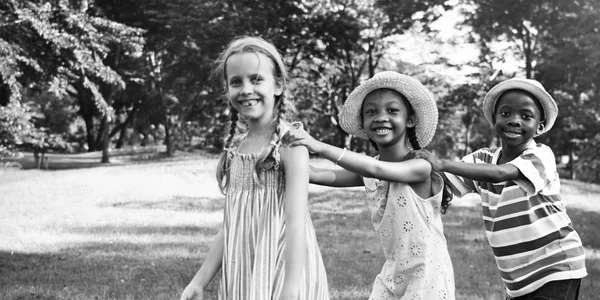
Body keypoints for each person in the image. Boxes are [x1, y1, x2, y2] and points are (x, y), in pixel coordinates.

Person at [180, 36, 329, 300]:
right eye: (236, 82)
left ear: (278, 85)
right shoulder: (234, 149)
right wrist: (199, 282)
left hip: (283, 274)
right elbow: (231, 226)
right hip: (245, 274)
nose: (246, 89)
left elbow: (296, 225)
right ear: (228, 90)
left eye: (257, 79)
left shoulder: (290, 144)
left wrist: (290, 290)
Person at [284, 71, 455, 300]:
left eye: (392, 110)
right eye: (371, 111)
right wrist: (281, 153)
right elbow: (317, 175)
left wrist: (318, 145)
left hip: (429, 276)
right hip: (393, 273)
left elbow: (375, 169)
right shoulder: (369, 170)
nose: (381, 117)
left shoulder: (420, 167)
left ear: (410, 119)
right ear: (364, 124)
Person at [413, 78, 587, 300]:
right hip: (518, 280)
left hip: (555, 266)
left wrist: (442, 162)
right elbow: (440, 179)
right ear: (494, 119)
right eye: (506, 113)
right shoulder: (482, 159)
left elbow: (502, 173)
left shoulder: (541, 155)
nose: (514, 121)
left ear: (540, 126)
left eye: (526, 116)